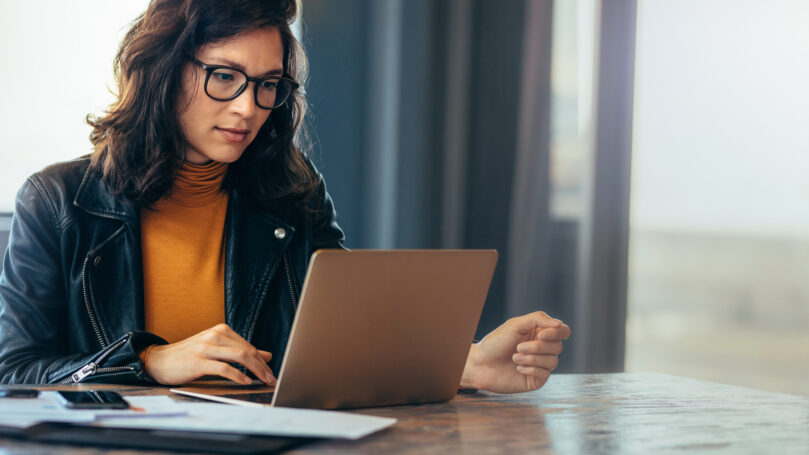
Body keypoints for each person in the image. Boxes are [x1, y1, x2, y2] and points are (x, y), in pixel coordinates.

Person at [0, 0, 570, 393]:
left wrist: (465, 364)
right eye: (224, 76)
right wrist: (148, 362)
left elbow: (345, 344)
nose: (248, 107)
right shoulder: (57, 200)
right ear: (163, 71)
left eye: (268, 83)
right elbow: (14, 373)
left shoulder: (291, 192)